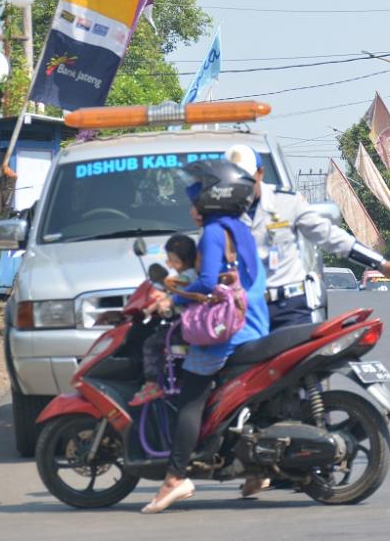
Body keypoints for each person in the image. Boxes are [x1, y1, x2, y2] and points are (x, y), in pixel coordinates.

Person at [140, 159, 269, 514]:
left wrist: (173, 298)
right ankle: (253, 468)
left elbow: (209, 281)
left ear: (213, 197)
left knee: (191, 398)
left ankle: (176, 477)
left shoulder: (214, 232)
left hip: (228, 333)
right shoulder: (239, 228)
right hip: (255, 324)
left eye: (195, 196)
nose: (192, 205)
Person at [224, 145, 390, 332]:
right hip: (241, 310)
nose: (242, 185)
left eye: (247, 178)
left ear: (260, 173)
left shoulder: (286, 202)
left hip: (290, 309)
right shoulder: (217, 210)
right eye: (235, 179)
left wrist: (381, 264)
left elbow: (331, 237)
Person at [129, 234, 197, 407]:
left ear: (181, 260)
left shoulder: (188, 276)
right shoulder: (192, 275)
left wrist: (152, 306)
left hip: (187, 328)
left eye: (172, 260)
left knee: (151, 344)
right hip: (190, 325)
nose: (169, 264)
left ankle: (152, 385)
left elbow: (173, 286)